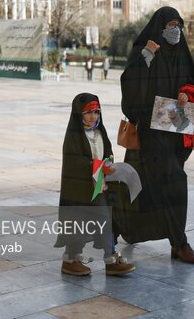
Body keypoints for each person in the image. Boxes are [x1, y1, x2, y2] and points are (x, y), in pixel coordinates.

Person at [119, 6, 194, 264]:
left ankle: (177, 242)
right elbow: (129, 82)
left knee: (172, 181)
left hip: (173, 129)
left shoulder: (181, 54)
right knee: (142, 184)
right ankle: (176, 242)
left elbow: (193, 85)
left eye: (178, 25)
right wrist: (146, 56)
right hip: (148, 130)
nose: (175, 30)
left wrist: (187, 93)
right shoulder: (145, 49)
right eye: (170, 25)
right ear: (159, 26)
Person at [53, 93, 136, 276]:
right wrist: (94, 167)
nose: (93, 117)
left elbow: (108, 154)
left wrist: (109, 166)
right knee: (78, 223)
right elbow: (74, 163)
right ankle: (70, 259)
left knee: (106, 220)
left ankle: (111, 258)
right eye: (88, 112)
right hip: (80, 190)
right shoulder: (75, 136)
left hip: (99, 187)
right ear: (79, 114)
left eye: (97, 112)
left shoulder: (100, 132)